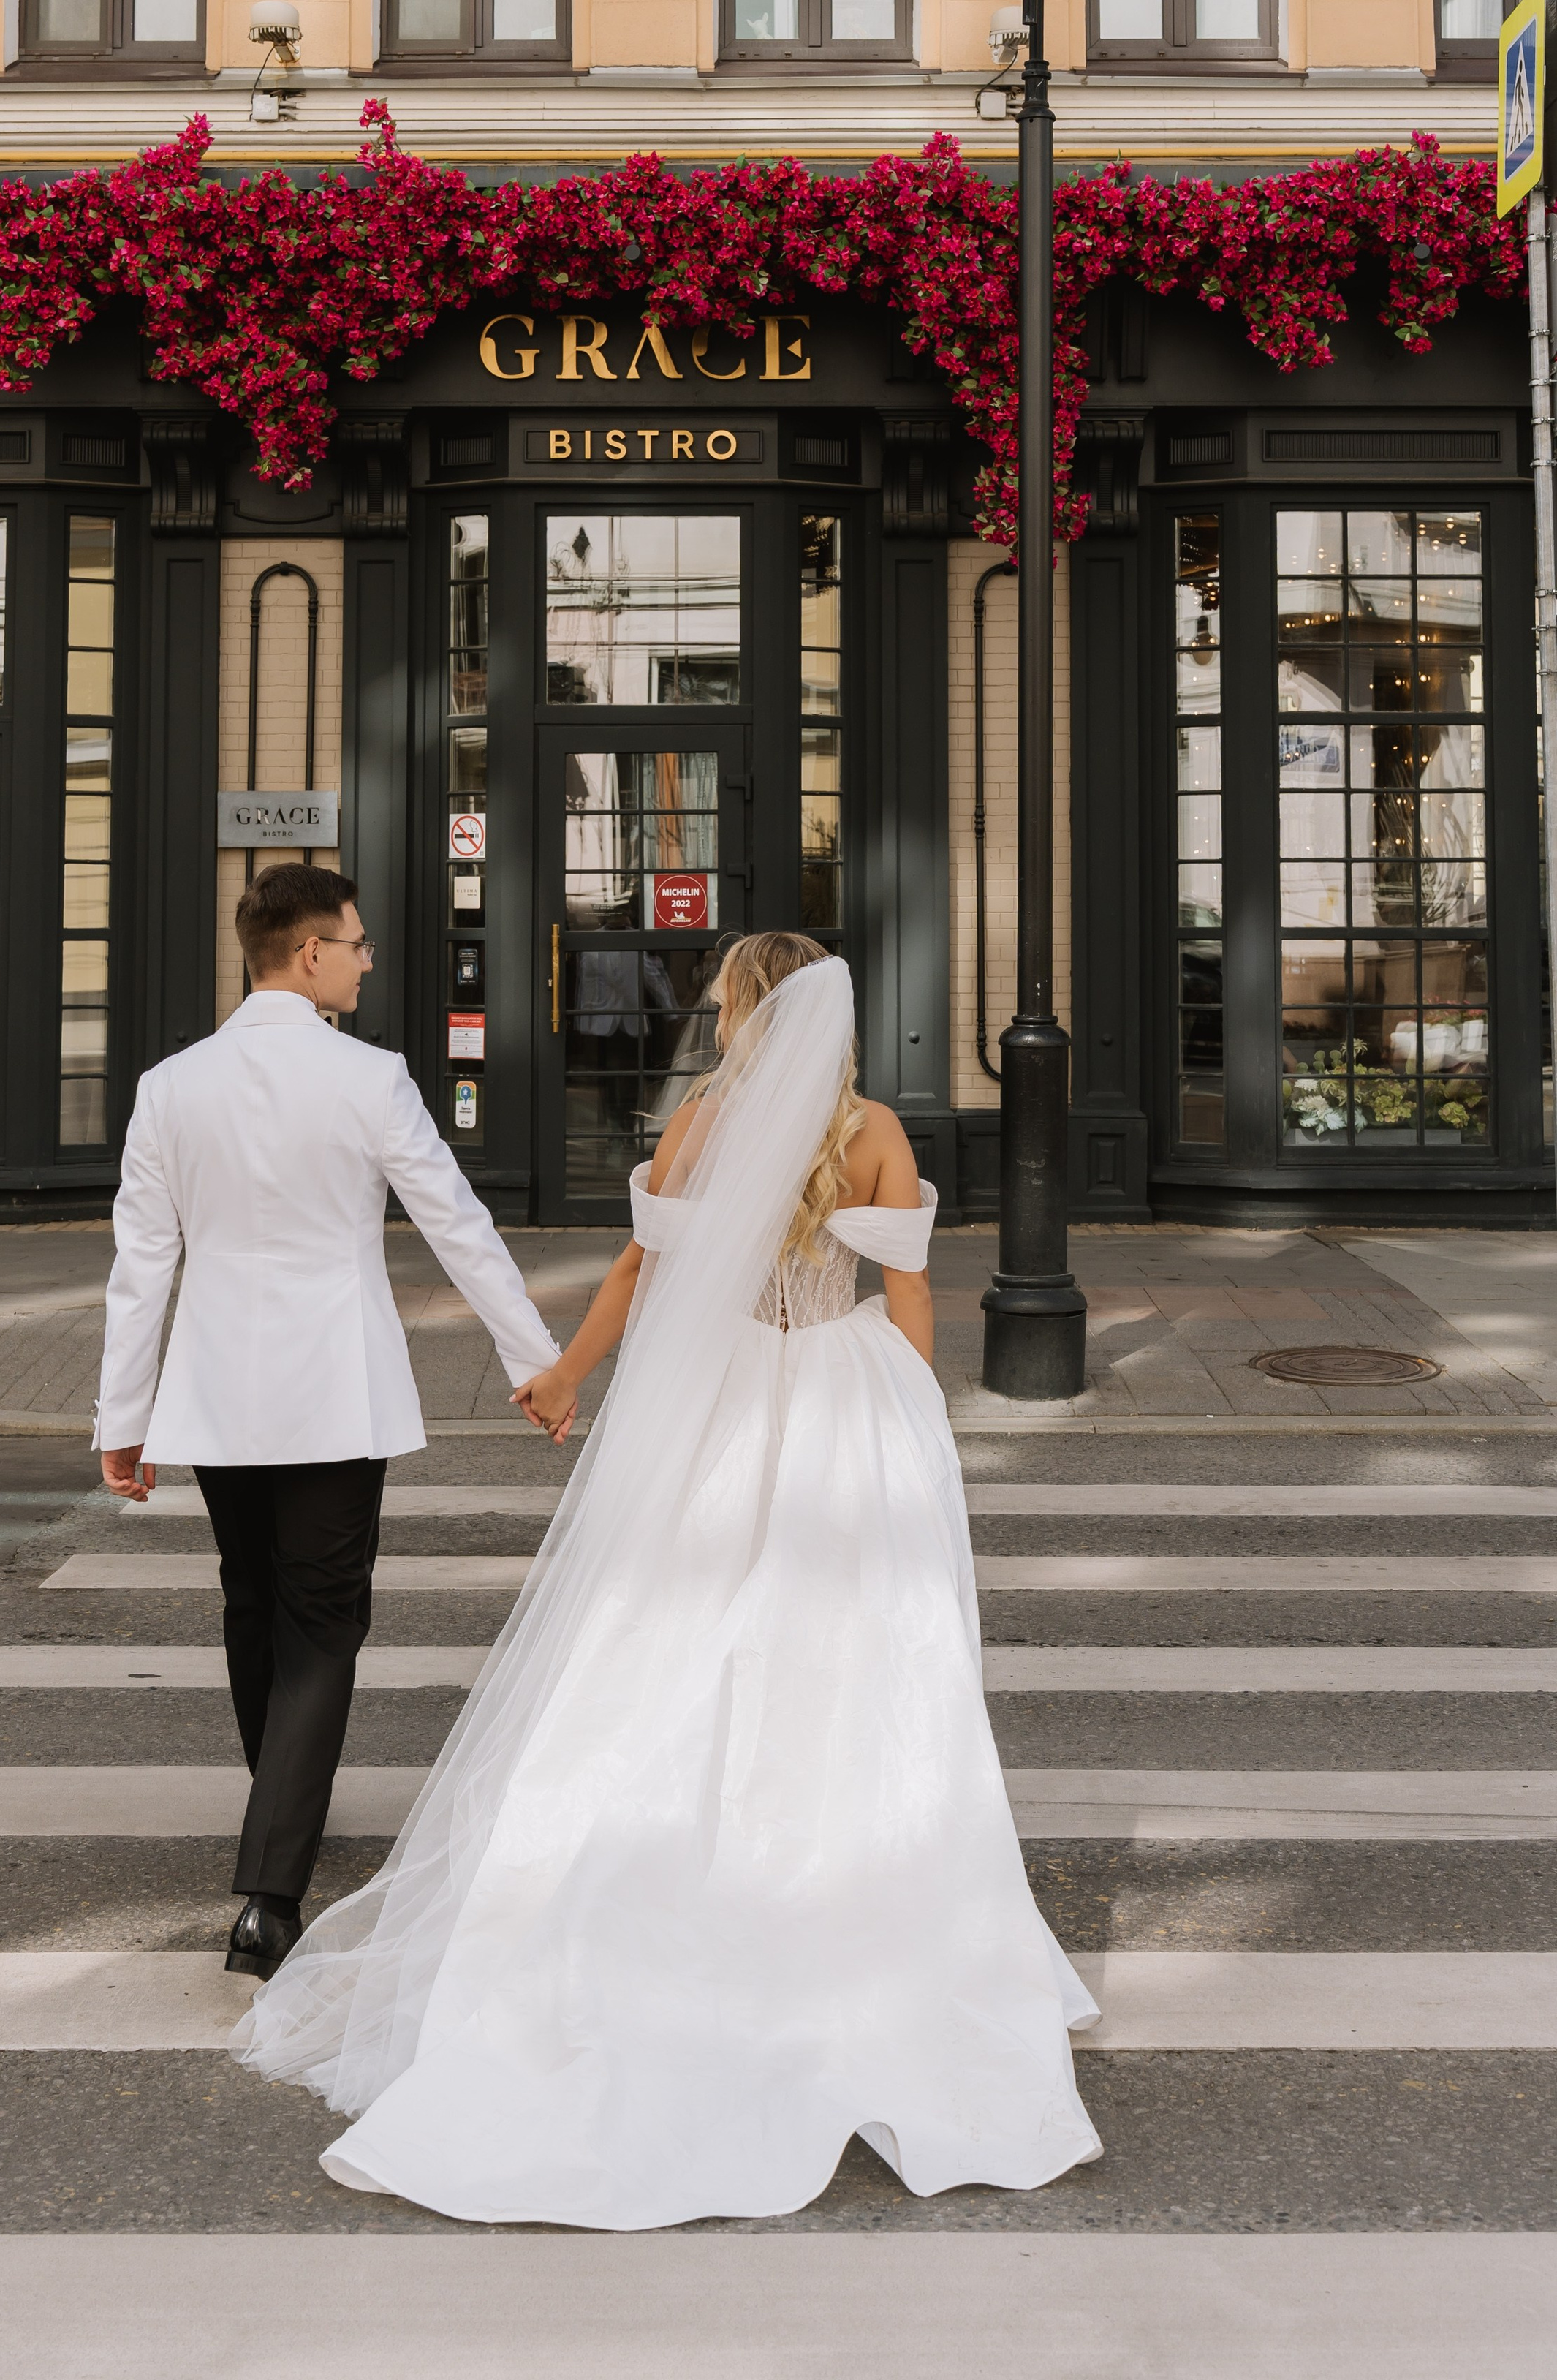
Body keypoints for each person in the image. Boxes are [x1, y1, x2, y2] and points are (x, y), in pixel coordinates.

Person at [234, 932, 1102, 2227]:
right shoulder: (874, 1132)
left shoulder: (699, 1123)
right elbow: (911, 1289)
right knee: (860, 1651)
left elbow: (642, 1271)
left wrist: (564, 1375)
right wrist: (916, 1409)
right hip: (841, 1393)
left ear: (744, 1014)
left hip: (724, 1399)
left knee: (670, 1634)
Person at [93, 862, 562, 1985]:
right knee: (321, 1624)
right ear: (309, 953)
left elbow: (142, 1264)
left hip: (215, 1392)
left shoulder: (170, 1086)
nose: (364, 960)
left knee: (253, 1603)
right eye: (354, 944)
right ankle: (270, 1894)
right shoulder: (369, 1077)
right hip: (334, 1394)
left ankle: (281, 1802)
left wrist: (122, 1416)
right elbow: (455, 1221)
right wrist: (534, 1359)